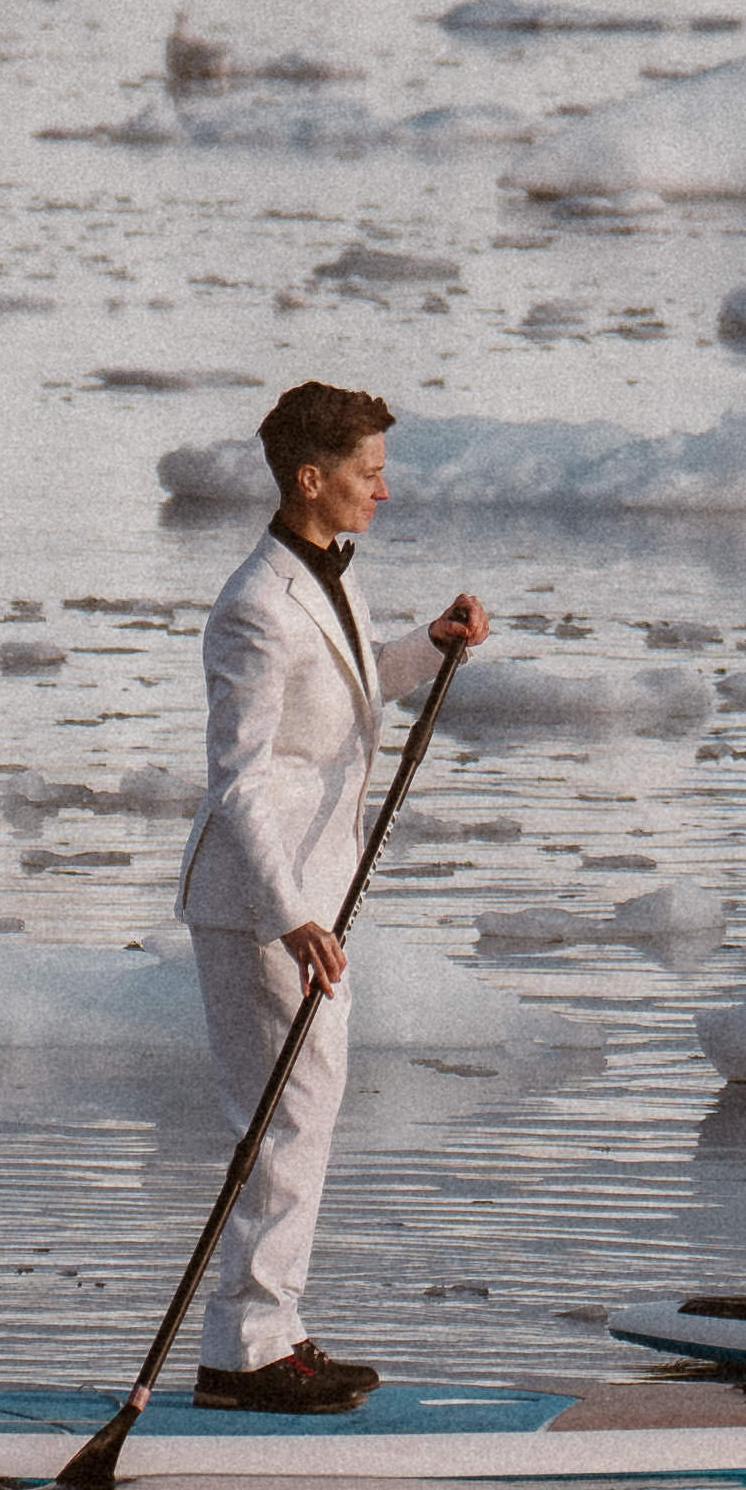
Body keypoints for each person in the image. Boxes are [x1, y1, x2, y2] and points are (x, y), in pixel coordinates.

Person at [178, 379, 488, 1413]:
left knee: (300, 1117)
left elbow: (350, 687)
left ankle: (271, 1335)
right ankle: (246, 1353)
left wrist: (426, 645)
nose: (382, 491)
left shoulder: (327, 578)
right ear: (312, 478)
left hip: (311, 893)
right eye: (368, 472)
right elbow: (240, 779)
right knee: (285, 1117)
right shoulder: (254, 606)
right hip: (267, 898)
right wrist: (289, 912)